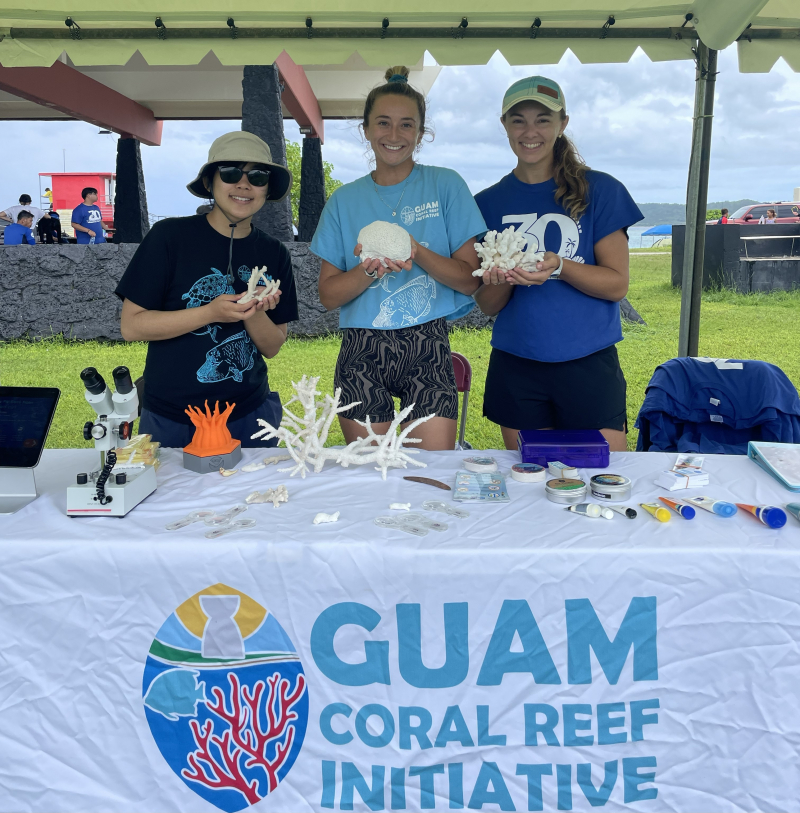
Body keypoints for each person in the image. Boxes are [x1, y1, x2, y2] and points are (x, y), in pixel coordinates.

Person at [311, 66, 486, 451]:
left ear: (421, 133)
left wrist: (415, 250)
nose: (394, 135)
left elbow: (470, 280)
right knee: (373, 479)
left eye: (407, 125)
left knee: (432, 472)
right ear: (367, 129)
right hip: (360, 349)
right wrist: (368, 269)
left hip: (428, 345)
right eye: (383, 123)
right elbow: (328, 296)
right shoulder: (343, 201)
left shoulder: (446, 186)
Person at [473, 76, 643, 452]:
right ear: (504, 125)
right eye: (518, 119)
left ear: (562, 123)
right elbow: (487, 304)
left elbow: (617, 284)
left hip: (588, 361)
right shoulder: (487, 203)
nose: (530, 131)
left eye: (543, 119)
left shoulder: (600, 190)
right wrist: (505, 278)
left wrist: (560, 267)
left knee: (601, 478)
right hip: (517, 364)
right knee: (529, 481)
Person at [115, 131, 298, 448]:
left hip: (247, 413)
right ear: (211, 182)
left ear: (267, 189)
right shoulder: (168, 237)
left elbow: (272, 346)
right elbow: (132, 326)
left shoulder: (274, 253)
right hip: (171, 418)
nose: (243, 184)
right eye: (230, 173)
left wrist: (251, 311)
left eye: (257, 176)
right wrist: (211, 312)